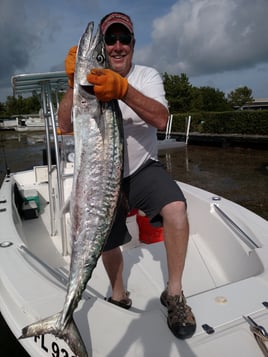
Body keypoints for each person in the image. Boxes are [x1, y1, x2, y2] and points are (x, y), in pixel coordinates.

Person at [58, 11, 196, 340]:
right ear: (104, 48)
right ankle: (118, 293)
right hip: (102, 177)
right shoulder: (87, 81)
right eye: (110, 40)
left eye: (124, 39)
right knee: (105, 237)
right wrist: (74, 83)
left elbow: (162, 119)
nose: (117, 45)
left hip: (142, 169)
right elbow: (64, 124)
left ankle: (174, 294)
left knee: (176, 209)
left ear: (133, 44)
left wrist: (122, 90)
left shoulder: (147, 76)